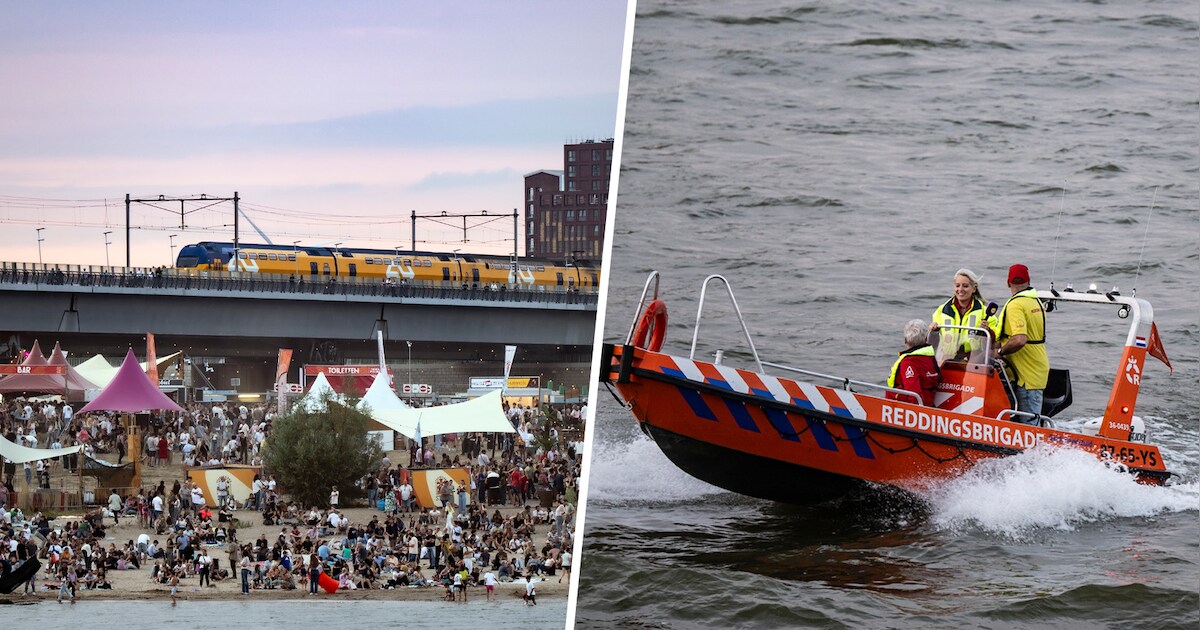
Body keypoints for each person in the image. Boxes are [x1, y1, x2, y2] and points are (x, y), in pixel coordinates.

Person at [996, 264, 1049, 416]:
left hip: (1025, 375)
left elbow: (1019, 339)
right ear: (1029, 281)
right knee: (1032, 420)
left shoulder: (1015, 305)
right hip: (1037, 367)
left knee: (1028, 426)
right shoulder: (1036, 302)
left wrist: (1000, 352)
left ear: (1007, 282)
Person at [931, 268, 999, 362]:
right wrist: (933, 331)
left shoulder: (985, 312)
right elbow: (933, 342)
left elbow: (995, 340)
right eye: (957, 286)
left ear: (974, 288)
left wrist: (987, 330)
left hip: (973, 362)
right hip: (946, 361)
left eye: (965, 286)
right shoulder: (942, 310)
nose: (960, 290)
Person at [886, 319, 940, 406]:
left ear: (905, 340)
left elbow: (914, 395)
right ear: (925, 339)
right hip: (927, 404)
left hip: (902, 409)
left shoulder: (909, 362)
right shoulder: (929, 358)